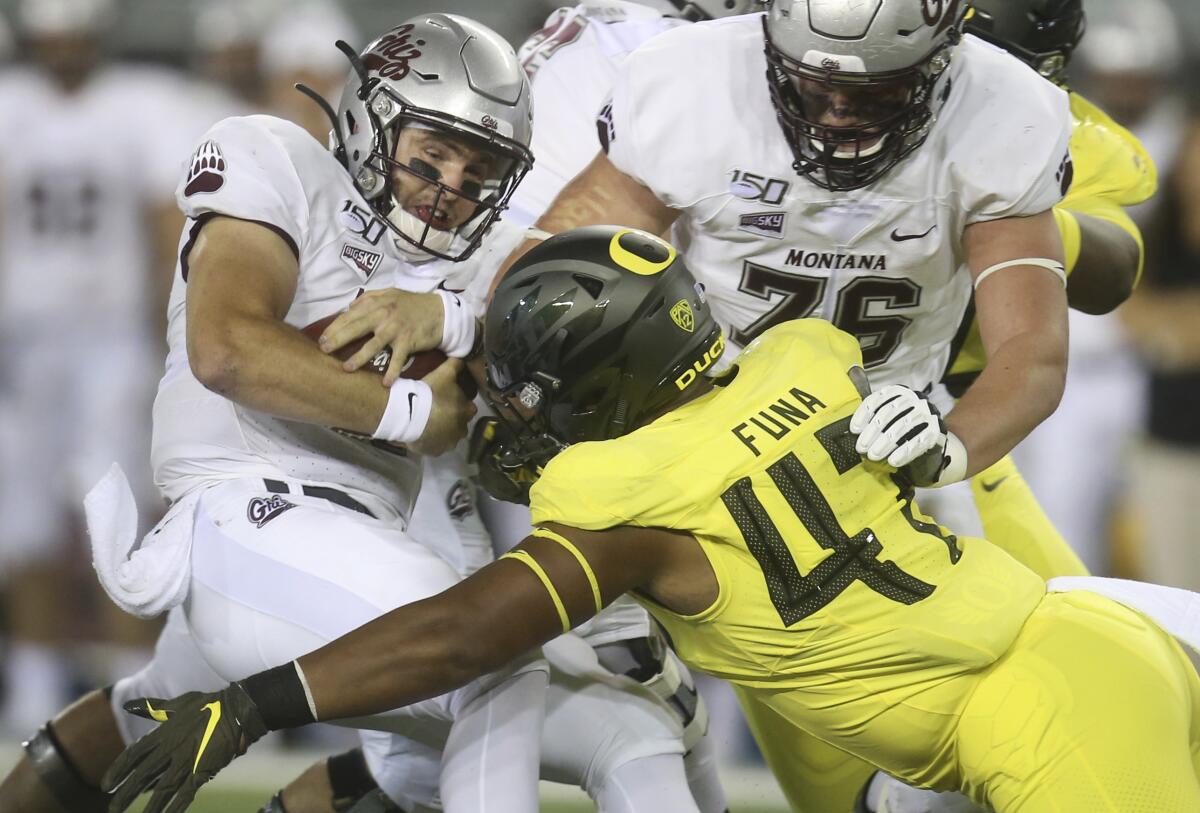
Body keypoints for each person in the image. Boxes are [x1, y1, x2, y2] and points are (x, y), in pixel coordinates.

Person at [102, 226, 1200, 813]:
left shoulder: (624, 504)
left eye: (536, 384)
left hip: (1038, 708)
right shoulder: (800, 361)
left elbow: (463, 632)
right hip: (1047, 661)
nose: (518, 411)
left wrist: (259, 703)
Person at [0, 14, 550, 813]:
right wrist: (408, 410)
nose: (449, 187)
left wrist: (453, 321)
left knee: (141, 711)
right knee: (491, 655)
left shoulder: (487, 251)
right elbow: (227, 349)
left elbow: (578, 302)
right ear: (368, 116)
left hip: (337, 536)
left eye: (478, 170)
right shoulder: (279, 158)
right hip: (245, 510)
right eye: (430, 154)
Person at [0, 0, 199, 733]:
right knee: (19, 519)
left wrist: (163, 330)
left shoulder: (140, 104)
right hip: (23, 337)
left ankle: (127, 684)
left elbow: (164, 224)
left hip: (111, 337)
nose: (63, 49)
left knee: (111, 509)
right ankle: (32, 682)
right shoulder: (11, 106)